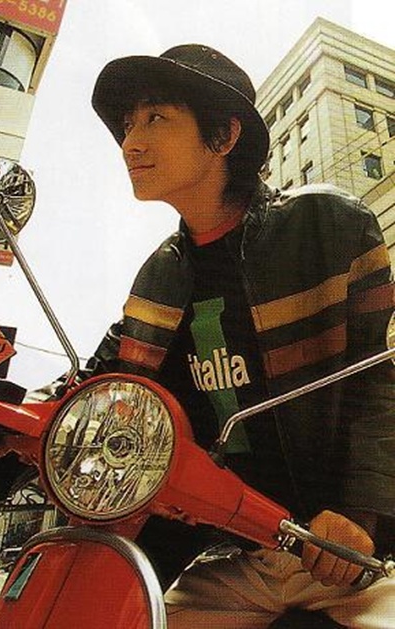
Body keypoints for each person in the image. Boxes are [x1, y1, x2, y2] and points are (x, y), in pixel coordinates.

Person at [78, 44, 395, 627]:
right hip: (234, 556)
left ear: (223, 136)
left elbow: (379, 376)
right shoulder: (158, 276)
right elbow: (104, 384)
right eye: (127, 126)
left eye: (155, 118)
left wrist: (364, 513)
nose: (130, 144)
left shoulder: (329, 224)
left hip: (354, 551)